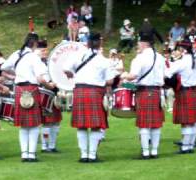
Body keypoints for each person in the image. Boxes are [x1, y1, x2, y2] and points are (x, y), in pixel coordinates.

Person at [63, 33, 118, 163]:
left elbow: (65, 69)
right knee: (96, 125)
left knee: (81, 125)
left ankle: (83, 155)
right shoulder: (104, 60)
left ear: (87, 43)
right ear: (99, 44)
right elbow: (109, 81)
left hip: (80, 90)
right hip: (95, 92)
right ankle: (92, 155)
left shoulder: (77, 55)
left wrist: (74, 75)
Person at [1, 33, 50, 162]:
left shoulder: (16, 53)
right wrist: (49, 85)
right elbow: (40, 77)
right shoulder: (34, 57)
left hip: (19, 89)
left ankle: (24, 154)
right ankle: (31, 154)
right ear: (34, 44)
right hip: (31, 89)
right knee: (33, 125)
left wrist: (15, 76)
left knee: (23, 125)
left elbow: (3, 67)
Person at [121, 35, 165, 159]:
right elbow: (165, 75)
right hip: (157, 92)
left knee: (144, 124)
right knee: (156, 124)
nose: (137, 45)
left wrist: (123, 75)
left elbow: (133, 76)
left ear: (144, 44)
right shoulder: (160, 57)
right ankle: (154, 151)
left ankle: (146, 152)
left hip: (144, 92)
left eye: (139, 43)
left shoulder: (139, 58)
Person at [165, 39, 196, 154]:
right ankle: (190, 145)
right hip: (195, 92)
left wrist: (166, 64)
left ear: (182, 49)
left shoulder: (182, 62)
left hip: (185, 92)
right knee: (192, 121)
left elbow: (167, 73)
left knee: (186, 122)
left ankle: (185, 147)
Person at [36, 40, 62, 153]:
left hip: (54, 93)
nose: (45, 52)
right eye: (42, 50)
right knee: (47, 121)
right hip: (43, 93)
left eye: (46, 50)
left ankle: (52, 145)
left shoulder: (49, 62)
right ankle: (44, 146)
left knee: (56, 120)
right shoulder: (36, 63)